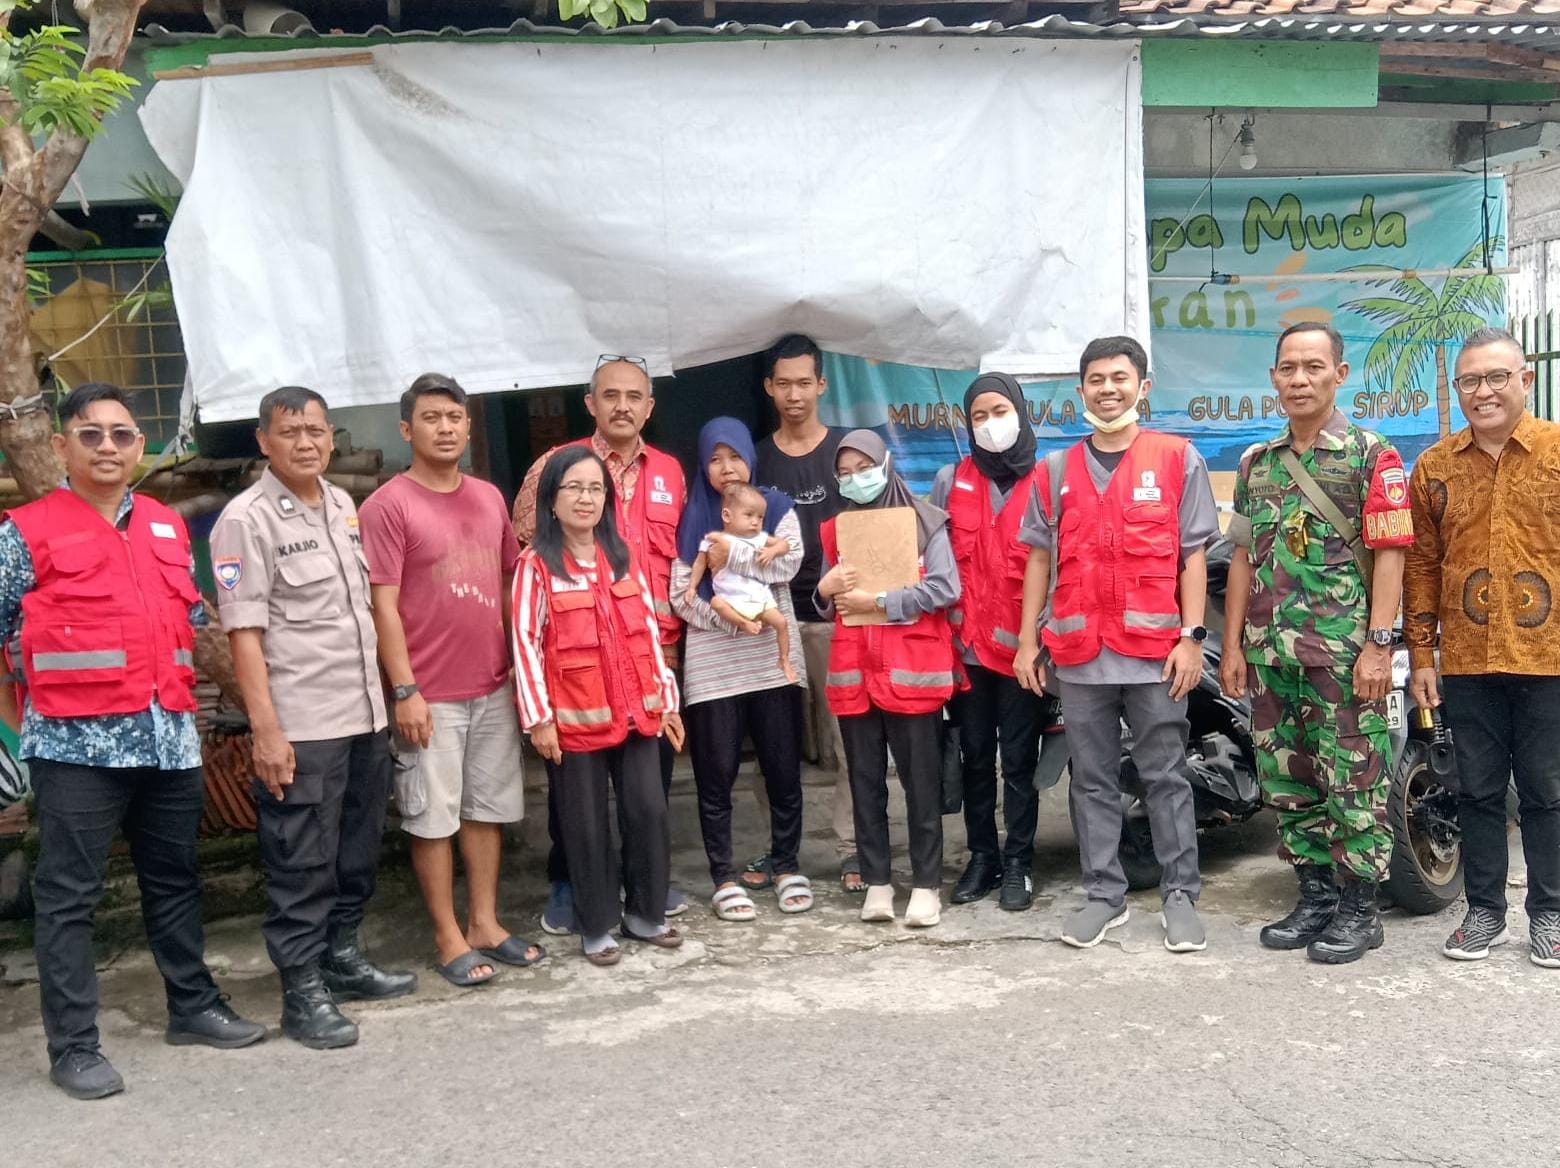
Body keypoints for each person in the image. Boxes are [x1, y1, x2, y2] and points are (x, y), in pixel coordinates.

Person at [0, 383, 265, 1099]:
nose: (109, 447)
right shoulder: (23, 533)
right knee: (69, 899)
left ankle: (194, 1006)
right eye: (91, 435)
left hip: (169, 738)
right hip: (76, 750)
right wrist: (17, 730)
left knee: (175, 883)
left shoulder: (164, 525)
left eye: (121, 434)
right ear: (61, 447)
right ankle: (75, 1046)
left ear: (139, 445)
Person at [212, 386, 416, 1049]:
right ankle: (301, 992)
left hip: (361, 714)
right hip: (302, 724)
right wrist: (266, 731)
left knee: (355, 852)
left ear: (331, 437)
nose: (306, 442)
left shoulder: (341, 505)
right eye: (290, 431)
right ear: (264, 441)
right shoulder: (245, 521)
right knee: (302, 860)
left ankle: (342, 957)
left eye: (316, 431)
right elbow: (243, 634)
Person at [1014, 337, 1217, 954]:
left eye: (1120, 378)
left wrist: (1191, 638)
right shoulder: (1055, 471)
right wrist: (1027, 643)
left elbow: (1193, 559)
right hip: (1077, 656)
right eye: (1096, 379)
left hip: (1156, 654)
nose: (1108, 389)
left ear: (1143, 387)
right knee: (1092, 781)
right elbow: (1040, 562)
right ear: (1081, 391)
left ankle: (1180, 895)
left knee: (1164, 776)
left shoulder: (1178, 459)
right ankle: (1104, 895)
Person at [1220, 322, 1415, 965]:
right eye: (1287, 368)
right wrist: (1237, 646)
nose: (1299, 379)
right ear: (1273, 377)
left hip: (1342, 655)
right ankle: (1316, 899)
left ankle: (1361, 909)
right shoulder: (1257, 463)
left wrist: (1379, 647)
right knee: (1289, 780)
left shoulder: (1372, 455)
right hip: (1272, 656)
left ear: (1340, 374)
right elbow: (1243, 556)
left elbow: (1390, 556)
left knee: (1354, 780)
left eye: (1312, 366)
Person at [359, 373, 543, 989]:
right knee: (430, 817)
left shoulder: (489, 497)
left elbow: (513, 579)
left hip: (491, 684)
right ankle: (447, 936)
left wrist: (522, 661)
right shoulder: (387, 506)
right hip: (429, 695)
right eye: (432, 418)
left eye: (455, 418)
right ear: (407, 429)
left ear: (468, 427)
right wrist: (405, 690)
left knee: (484, 812)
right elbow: (382, 607)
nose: (446, 428)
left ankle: (486, 922)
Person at [511, 354, 688, 931]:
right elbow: (526, 614)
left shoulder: (668, 472)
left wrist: (666, 687)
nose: (622, 406)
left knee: (646, 798)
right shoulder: (550, 471)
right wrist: (538, 715)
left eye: (634, 396)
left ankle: (645, 894)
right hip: (575, 678)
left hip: (644, 667)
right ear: (590, 402)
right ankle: (578, 893)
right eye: (609, 395)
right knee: (579, 811)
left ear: (649, 407)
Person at [1404, 327, 1560, 968]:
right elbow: (1421, 567)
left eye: (1497, 377)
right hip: (1466, 661)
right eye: (1470, 380)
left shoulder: (1555, 452)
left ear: (1525, 380)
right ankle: (1485, 911)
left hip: (1550, 658)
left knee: (1549, 791)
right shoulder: (1435, 468)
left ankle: (1549, 913)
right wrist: (1420, 658)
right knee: (1476, 790)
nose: (1483, 391)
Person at [816, 431, 959, 928]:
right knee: (864, 784)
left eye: (864, 466)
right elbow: (825, 600)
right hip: (856, 675)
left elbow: (945, 588)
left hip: (912, 675)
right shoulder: (834, 530)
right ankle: (877, 882)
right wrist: (824, 587)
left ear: (887, 463)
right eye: (845, 471)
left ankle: (926, 885)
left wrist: (880, 603)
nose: (856, 478)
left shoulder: (926, 522)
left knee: (921, 786)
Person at [671, 418, 810, 922]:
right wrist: (735, 621)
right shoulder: (693, 518)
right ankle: (723, 876)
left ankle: (787, 864)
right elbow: (679, 594)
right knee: (716, 776)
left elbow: (788, 565)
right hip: (714, 668)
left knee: (782, 771)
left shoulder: (777, 507)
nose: (726, 467)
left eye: (735, 456)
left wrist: (733, 552)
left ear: (749, 460)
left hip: (773, 667)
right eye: (715, 458)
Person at [929, 372, 1046, 912]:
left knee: (1019, 762)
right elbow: (930, 562)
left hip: (1025, 655)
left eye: (999, 411)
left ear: (1021, 413)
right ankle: (982, 856)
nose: (990, 424)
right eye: (979, 416)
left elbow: (1062, 567)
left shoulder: (1047, 480)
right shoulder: (950, 480)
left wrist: (1039, 644)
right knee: (976, 757)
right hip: (966, 653)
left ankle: (1019, 861)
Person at [754, 334, 860, 893]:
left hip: (834, 618)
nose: (794, 394)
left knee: (849, 741)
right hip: (768, 621)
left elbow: (872, 523)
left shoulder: (846, 451)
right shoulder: (755, 457)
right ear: (769, 388)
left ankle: (852, 849)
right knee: (773, 743)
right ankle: (782, 851)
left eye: (804, 382)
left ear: (821, 384)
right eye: (783, 383)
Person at [683, 483, 798, 683]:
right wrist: (692, 587)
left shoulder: (759, 539)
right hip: (732, 601)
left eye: (760, 517)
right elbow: (700, 563)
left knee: (781, 622)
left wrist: (772, 551)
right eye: (749, 515)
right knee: (716, 603)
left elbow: (784, 544)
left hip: (758, 597)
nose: (755, 522)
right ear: (727, 516)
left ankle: (784, 659)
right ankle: (743, 623)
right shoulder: (714, 540)